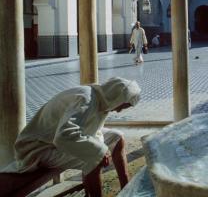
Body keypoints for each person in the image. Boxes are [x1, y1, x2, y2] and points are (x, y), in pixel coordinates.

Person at [1, 77, 141, 197]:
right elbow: (63, 136)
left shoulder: (101, 100)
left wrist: (100, 147)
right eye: (123, 105)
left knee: (117, 138)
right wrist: (99, 150)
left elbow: (92, 131)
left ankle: (126, 190)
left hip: (55, 142)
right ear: (116, 97)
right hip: (39, 148)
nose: (120, 110)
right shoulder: (86, 100)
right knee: (94, 157)